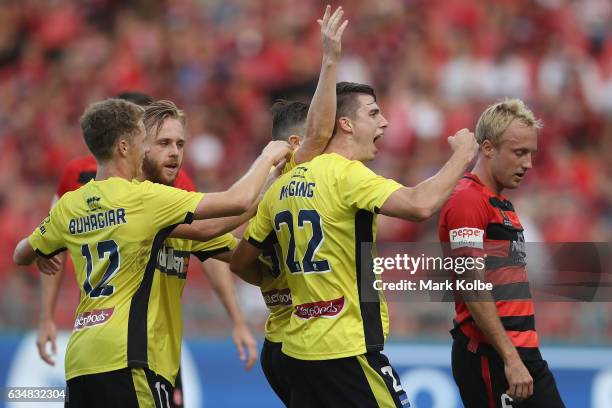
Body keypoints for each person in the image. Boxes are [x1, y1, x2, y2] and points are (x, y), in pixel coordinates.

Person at [13, 98, 289, 407]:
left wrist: (42, 252)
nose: (173, 151)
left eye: (180, 144)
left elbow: (21, 252)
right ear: (127, 146)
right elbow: (230, 208)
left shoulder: (71, 205)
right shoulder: (148, 200)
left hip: (82, 359)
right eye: (155, 142)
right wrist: (270, 167)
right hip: (133, 359)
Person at [231, 78, 479, 407]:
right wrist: (463, 156)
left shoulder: (280, 186)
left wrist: (287, 288)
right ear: (346, 124)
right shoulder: (346, 174)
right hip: (345, 349)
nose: (384, 122)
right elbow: (420, 204)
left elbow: (240, 262)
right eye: (374, 114)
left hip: (296, 350)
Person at [438, 99, 565, 408]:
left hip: (521, 354)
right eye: (519, 152)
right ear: (488, 148)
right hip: (492, 356)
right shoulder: (468, 201)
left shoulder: (500, 204)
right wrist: (510, 357)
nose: (528, 164)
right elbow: (473, 285)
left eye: (531, 153)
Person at [252, 6, 347, 405]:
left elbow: (242, 261)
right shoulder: (295, 175)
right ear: (296, 145)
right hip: (304, 340)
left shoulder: (263, 188)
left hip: (277, 338)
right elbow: (321, 130)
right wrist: (329, 58)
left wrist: (278, 289)